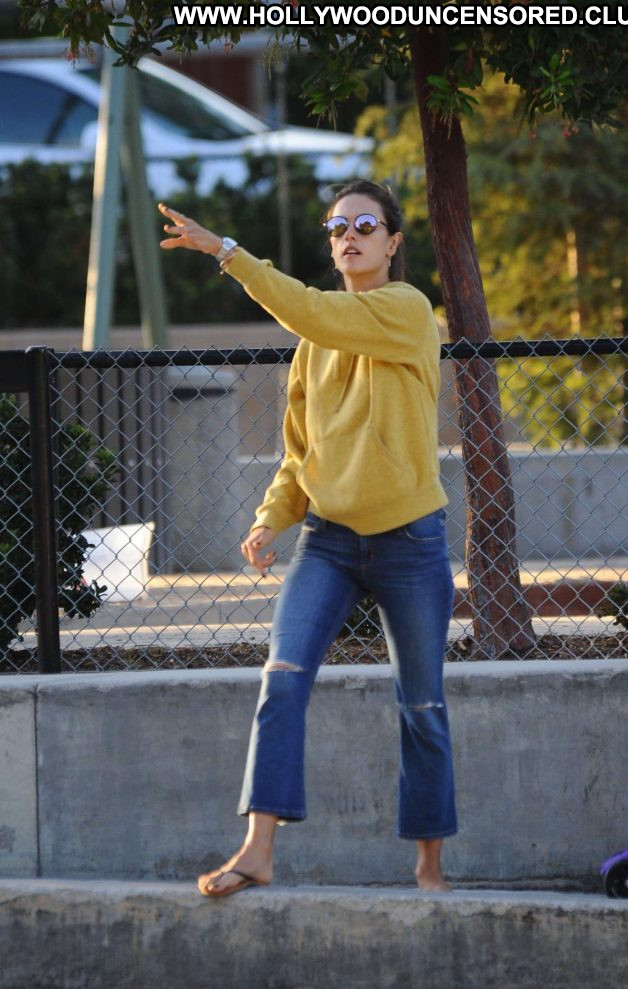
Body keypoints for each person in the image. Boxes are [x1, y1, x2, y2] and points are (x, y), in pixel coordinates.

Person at [158, 180, 457, 898]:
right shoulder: (313, 346)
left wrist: (227, 251)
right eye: (336, 227)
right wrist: (271, 517)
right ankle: (258, 849)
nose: (348, 236)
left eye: (365, 225)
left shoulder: (408, 311)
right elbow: (300, 452)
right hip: (328, 540)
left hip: (410, 540)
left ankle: (429, 870)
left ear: (393, 243)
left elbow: (315, 311)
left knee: (421, 705)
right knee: (282, 678)